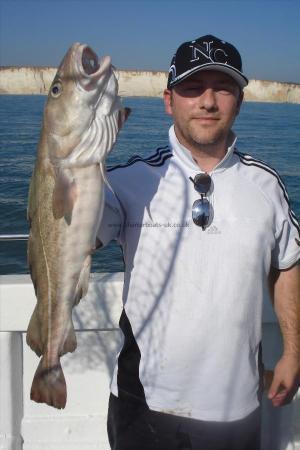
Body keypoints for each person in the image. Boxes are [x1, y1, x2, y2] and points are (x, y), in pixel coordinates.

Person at [97, 34, 300, 450]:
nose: (208, 102)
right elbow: (76, 237)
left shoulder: (267, 186)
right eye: (192, 88)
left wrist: (293, 351)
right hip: (142, 402)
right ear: (168, 100)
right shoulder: (124, 182)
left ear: (239, 100)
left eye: (222, 87)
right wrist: (83, 157)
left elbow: (287, 264)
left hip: (235, 404)